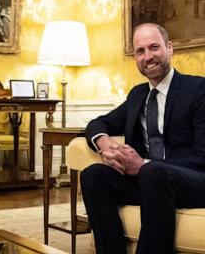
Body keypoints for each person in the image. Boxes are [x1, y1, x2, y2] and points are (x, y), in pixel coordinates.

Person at [80, 23, 205, 254]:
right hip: (151, 183)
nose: (148, 56)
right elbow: (98, 123)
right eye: (140, 51)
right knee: (93, 175)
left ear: (169, 48)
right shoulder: (139, 94)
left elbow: (202, 157)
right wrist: (104, 144)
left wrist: (144, 165)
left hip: (194, 181)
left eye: (154, 47)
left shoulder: (198, 90)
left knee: (152, 172)